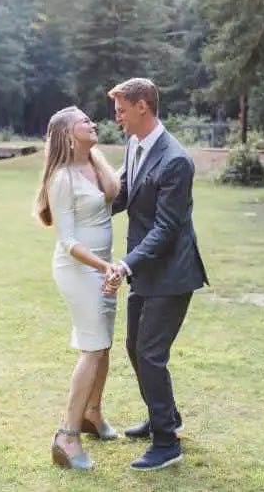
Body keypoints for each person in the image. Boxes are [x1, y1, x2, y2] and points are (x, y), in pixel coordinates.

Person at [101, 77, 209, 472]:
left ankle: (167, 443)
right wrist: (87, 212)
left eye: (122, 109)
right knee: (135, 347)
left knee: (150, 353)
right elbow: (124, 193)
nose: (118, 117)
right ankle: (166, 417)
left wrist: (125, 263)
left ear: (143, 105)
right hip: (147, 269)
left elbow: (166, 228)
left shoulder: (176, 160)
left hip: (173, 273)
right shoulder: (134, 145)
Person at [35, 106, 125, 471]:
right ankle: (66, 436)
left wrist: (109, 266)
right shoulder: (61, 179)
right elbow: (67, 240)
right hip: (78, 270)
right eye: (85, 122)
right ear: (68, 135)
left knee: (103, 346)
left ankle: (92, 414)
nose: (93, 124)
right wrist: (105, 267)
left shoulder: (97, 164)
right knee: (93, 347)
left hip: (106, 268)